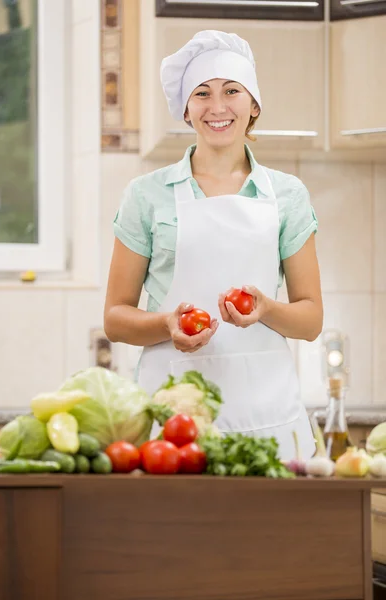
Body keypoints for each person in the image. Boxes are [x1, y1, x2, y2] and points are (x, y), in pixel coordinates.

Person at [104, 30, 323, 460]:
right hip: (172, 420)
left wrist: (266, 310)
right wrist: (166, 324)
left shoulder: (287, 195)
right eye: (201, 93)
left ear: (254, 104)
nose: (217, 107)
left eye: (232, 91)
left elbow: (311, 319)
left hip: (267, 414)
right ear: (186, 110)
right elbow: (115, 318)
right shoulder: (147, 195)